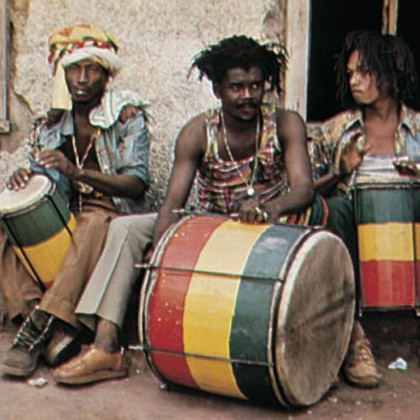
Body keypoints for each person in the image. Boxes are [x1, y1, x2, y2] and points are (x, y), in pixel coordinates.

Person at [53, 35, 337, 385]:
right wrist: (160, 259)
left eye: (255, 86)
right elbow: (172, 205)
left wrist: (268, 208)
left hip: (272, 229)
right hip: (212, 228)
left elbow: (304, 189)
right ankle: (106, 347)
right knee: (125, 228)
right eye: (236, 87)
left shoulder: (284, 123)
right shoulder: (197, 132)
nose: (247, 96)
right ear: (218, 90)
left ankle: (350, 341)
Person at [0, 23, 150, 378]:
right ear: (62, 74)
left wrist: (77, 172)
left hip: (109, 211)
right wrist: (25, 178)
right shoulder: (49, 124)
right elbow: (43, 180)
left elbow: (136, 184)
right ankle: (45, 327)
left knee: (93, 223)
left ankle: (40, 325)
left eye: (92, 69)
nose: (82, 79)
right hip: (64, 212)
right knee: (7, 224)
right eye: (73, 69)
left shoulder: (127, 117)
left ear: (107, 75)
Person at [311, 30, 420, 388]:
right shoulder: (337, 131)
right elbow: (303, 195)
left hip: (408, 246)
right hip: (355, 242)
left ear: (390, 72)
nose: (354, 80)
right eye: (350, 73)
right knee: (335, 209)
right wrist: (339, 172)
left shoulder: (418, 128)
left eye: (364, 71)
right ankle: (354, 338)